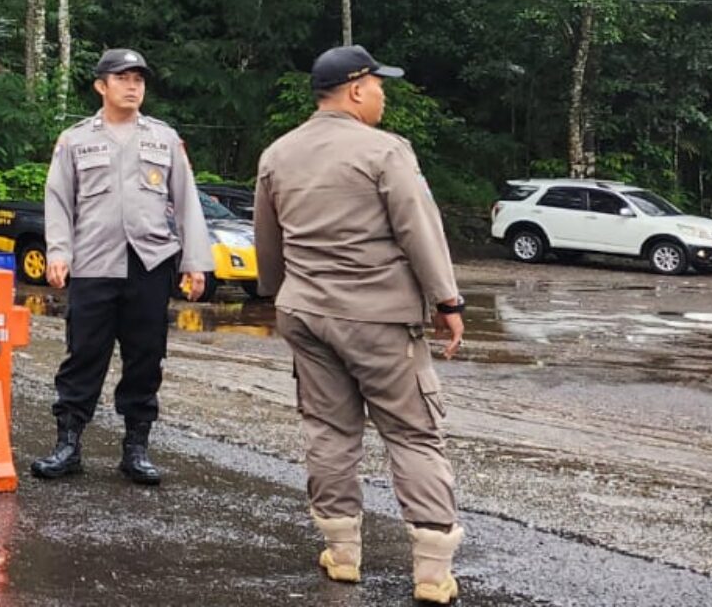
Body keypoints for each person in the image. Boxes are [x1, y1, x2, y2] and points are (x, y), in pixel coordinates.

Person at [252, 46, 467, 604]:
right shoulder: (385, 151)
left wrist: (281, 294)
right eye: (377, 85)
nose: (383, 94)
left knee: (329, 430)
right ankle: (432, 571)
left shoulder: (278, 153)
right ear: (353, 90)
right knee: (413, 432)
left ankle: (343, 553)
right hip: (378, 317)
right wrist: (447, 299)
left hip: (306, 312)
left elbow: (267, 243)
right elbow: (420, 229)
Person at [29, 48, 212, 486]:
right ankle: (68, 445)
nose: (133, 87)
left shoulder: (163, 138)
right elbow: (57, 199)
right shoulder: (76, 139)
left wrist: (195, 262)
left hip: (149, 263)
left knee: (145, 358)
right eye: (123, 78)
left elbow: (187, 201)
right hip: (93, 262)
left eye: (139, 80)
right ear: (101, 85)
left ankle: (136, 448)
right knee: (83, 355)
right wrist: (58, 252)